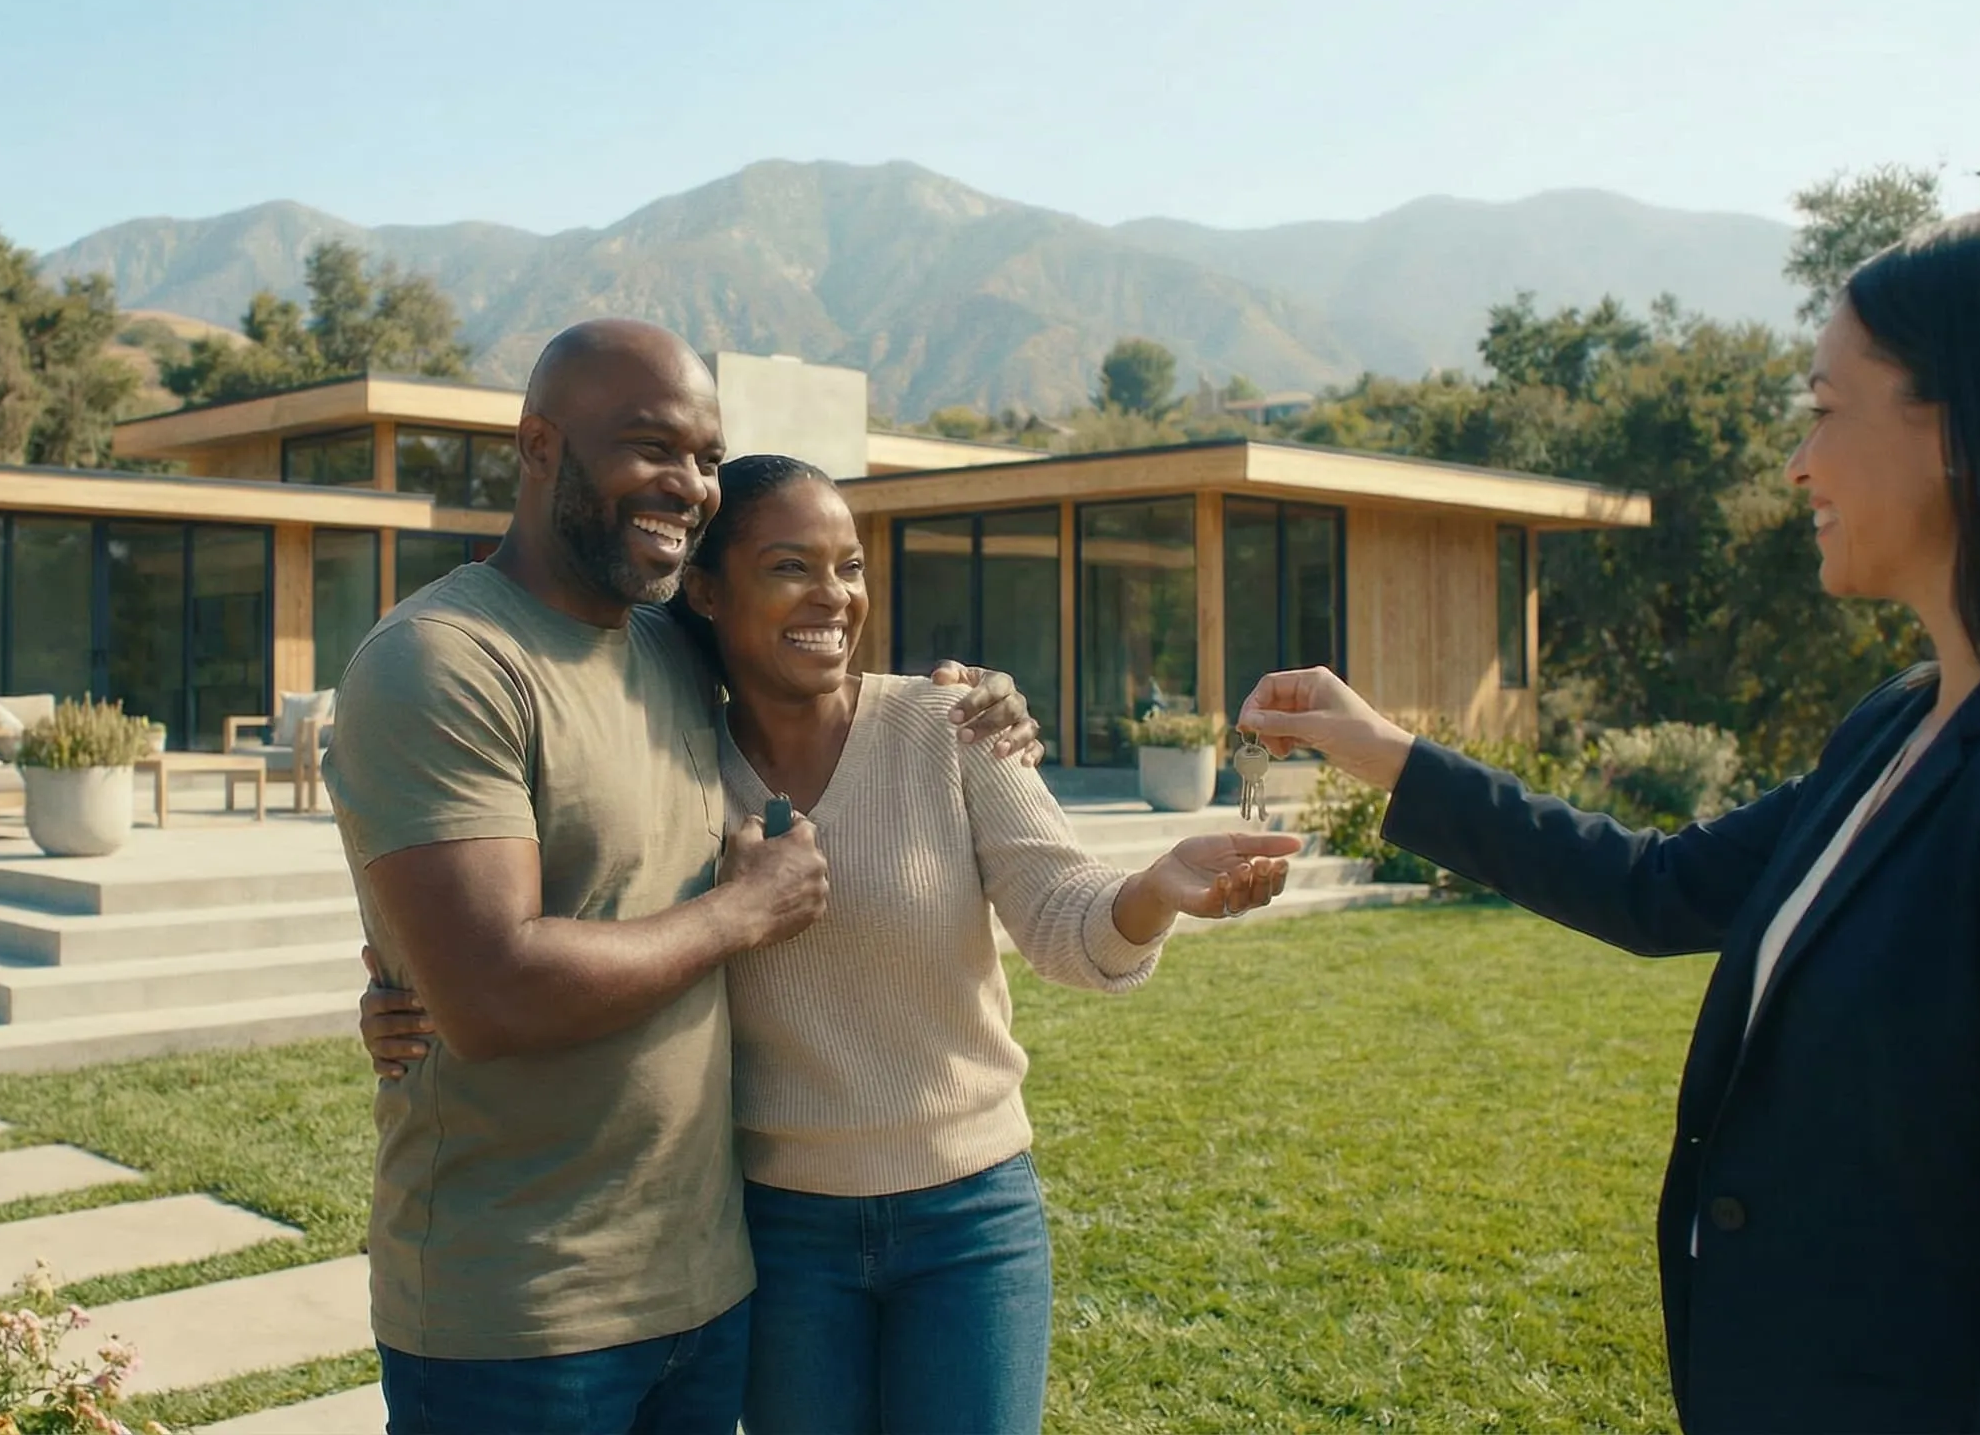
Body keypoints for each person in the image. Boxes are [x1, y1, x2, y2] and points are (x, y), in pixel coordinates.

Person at [1239, 205, 1980, 1434]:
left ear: (1969, 427)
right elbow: (1655, 889)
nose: (1797, 464)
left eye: (1827, 410)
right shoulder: (1900, 724)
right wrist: (1384, 752)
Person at [365, 454, 1304, 1434]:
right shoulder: (677, 762)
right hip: (778, 1234)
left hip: (969, 1223)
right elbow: (572, 907)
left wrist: (1153, 891)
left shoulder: (951, 724)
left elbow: (1065, 917)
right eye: (789, 568)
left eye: (849, 567)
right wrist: (406, 983)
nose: (833, 596)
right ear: (707, 591)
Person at [322, 318, 1042, 1435]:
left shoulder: (666, 646)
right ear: (539, 445)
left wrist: (975, 696)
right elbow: (493, 992)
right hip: (517, 1316)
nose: (689, 484)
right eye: (651, 446)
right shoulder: (440, 661)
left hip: (710, 1292)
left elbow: (811, 648)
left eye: (706, 458)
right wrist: (739, 912)